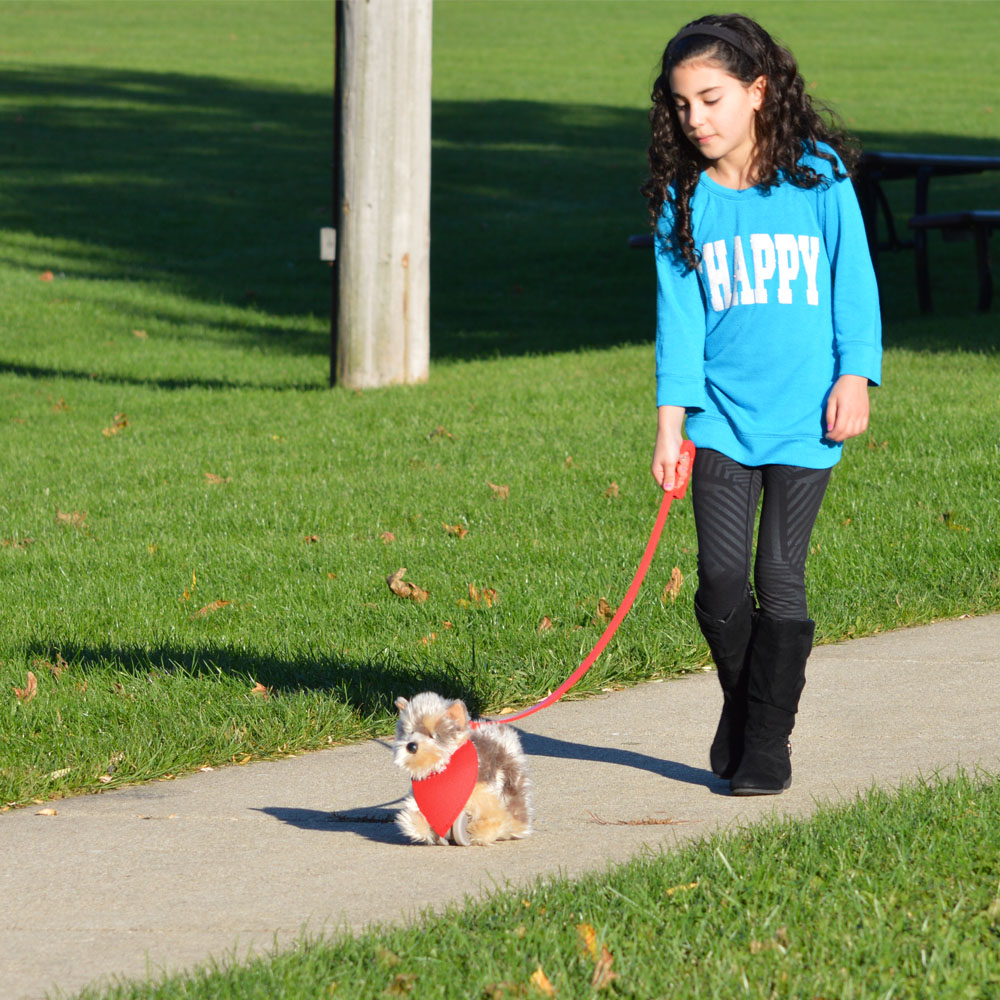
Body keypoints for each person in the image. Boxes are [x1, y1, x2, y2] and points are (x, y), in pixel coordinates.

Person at [643, 13, 881, 795]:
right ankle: (743, 706)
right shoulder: (685, 201)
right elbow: (678, 326)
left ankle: (766, 742)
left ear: (757, 92)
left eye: (710, 99)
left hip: (809, 416)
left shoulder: (817, 177)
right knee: (717, 582)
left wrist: (855, 376)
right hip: (719, 421)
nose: (696, 119)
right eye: (682, 106)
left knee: (779, 576)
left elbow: (854, 283)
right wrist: (669, 428)